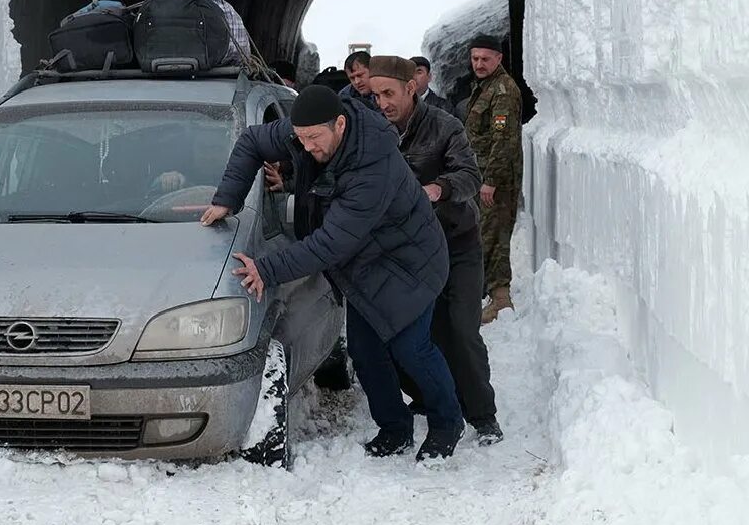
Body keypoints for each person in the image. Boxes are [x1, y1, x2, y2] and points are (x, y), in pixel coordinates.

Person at [201, 85, 465, 461]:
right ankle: (394, 428)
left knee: (412, 348)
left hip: (409, 262)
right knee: (363, 350)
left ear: (339, 125)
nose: (306, 147)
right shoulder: (305, 132)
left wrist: (267, 269)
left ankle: (447, 423)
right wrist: (227, 199)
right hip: (364, 265)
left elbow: (330, 244)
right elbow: (251, 141)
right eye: (300, 138)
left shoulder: (372, 167)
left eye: (314, 138)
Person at [362, 55, 503, 445]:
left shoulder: (445, 126)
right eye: (376, 96)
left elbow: (469, 175)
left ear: (411, 87)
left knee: (459, 327)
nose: (383, 103)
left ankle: (482, 413)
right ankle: (428, 397)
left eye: (389, 94)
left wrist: (438, 189)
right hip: (406, 252)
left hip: (455, 242)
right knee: (406, 332)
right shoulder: (373, 130)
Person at [464, 35, 523, 323]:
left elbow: (504, 139)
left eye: (485, 59)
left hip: (496, 180)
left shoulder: (502, 91)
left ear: (498, 59)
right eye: (475, 58)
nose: (479, 64)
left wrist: (491, 180)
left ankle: (501, 299)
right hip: (484, 173)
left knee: (495, 236)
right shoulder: (485, 87)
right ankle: (491, 293)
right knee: (485, 233)